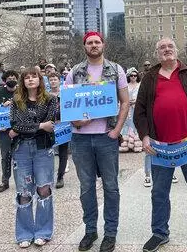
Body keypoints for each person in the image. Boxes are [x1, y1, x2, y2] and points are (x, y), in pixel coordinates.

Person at [135, 37, 187, 252]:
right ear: (157, 53)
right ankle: (159, 233)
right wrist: (144, 136)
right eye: (162, 47)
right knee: (159, 193)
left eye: (170, 46)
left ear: (176, 50)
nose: (166, 50)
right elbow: (141, 111)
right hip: (160, 147)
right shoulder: (149, 77)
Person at [65, 31, 130, 252]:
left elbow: (125, 102)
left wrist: (117, 130)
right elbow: (66, 105)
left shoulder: (116, 69)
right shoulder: (75, 72)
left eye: (97, 42)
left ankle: (110, 233)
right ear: (84, 46)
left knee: (111, 187)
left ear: (103, 44)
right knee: (86, 188)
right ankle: (90, 230)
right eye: (90, 42)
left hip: (106, 137)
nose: (94, 45)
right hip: (81, 140)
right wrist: (77, 123)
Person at [9, 67, 58, 248]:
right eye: (27, 77)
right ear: (23, 81)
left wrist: (24, 128)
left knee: (44, 189)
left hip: (43, 148)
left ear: (40, 80)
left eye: (34, 77)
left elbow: (50, 124)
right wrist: (39, 125)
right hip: (21, 149)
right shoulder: (16, 101)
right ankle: (24, 233)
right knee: (23, 191)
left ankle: (43, 232)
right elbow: (14, 125)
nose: (30, 80)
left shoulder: (50, 100)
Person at [0, 70, 19, 194]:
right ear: (4, 80)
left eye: (13, 77)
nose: (11, 79)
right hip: (4, 130)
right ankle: (5, 181)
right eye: (9, 78)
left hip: (20, 129)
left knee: (21, 155)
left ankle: (22, 181)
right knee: (5, 156)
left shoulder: (21, 92)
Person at [48, 72, 69, 189]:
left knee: (63, 152)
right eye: (51, 80)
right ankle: (47, 176)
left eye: (55, 79)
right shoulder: (45, 95)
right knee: (48, 152)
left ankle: (60, 177)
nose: (53, 82)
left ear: (59, 80)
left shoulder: (65, 94)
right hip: (49, 126)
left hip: (63, 125)